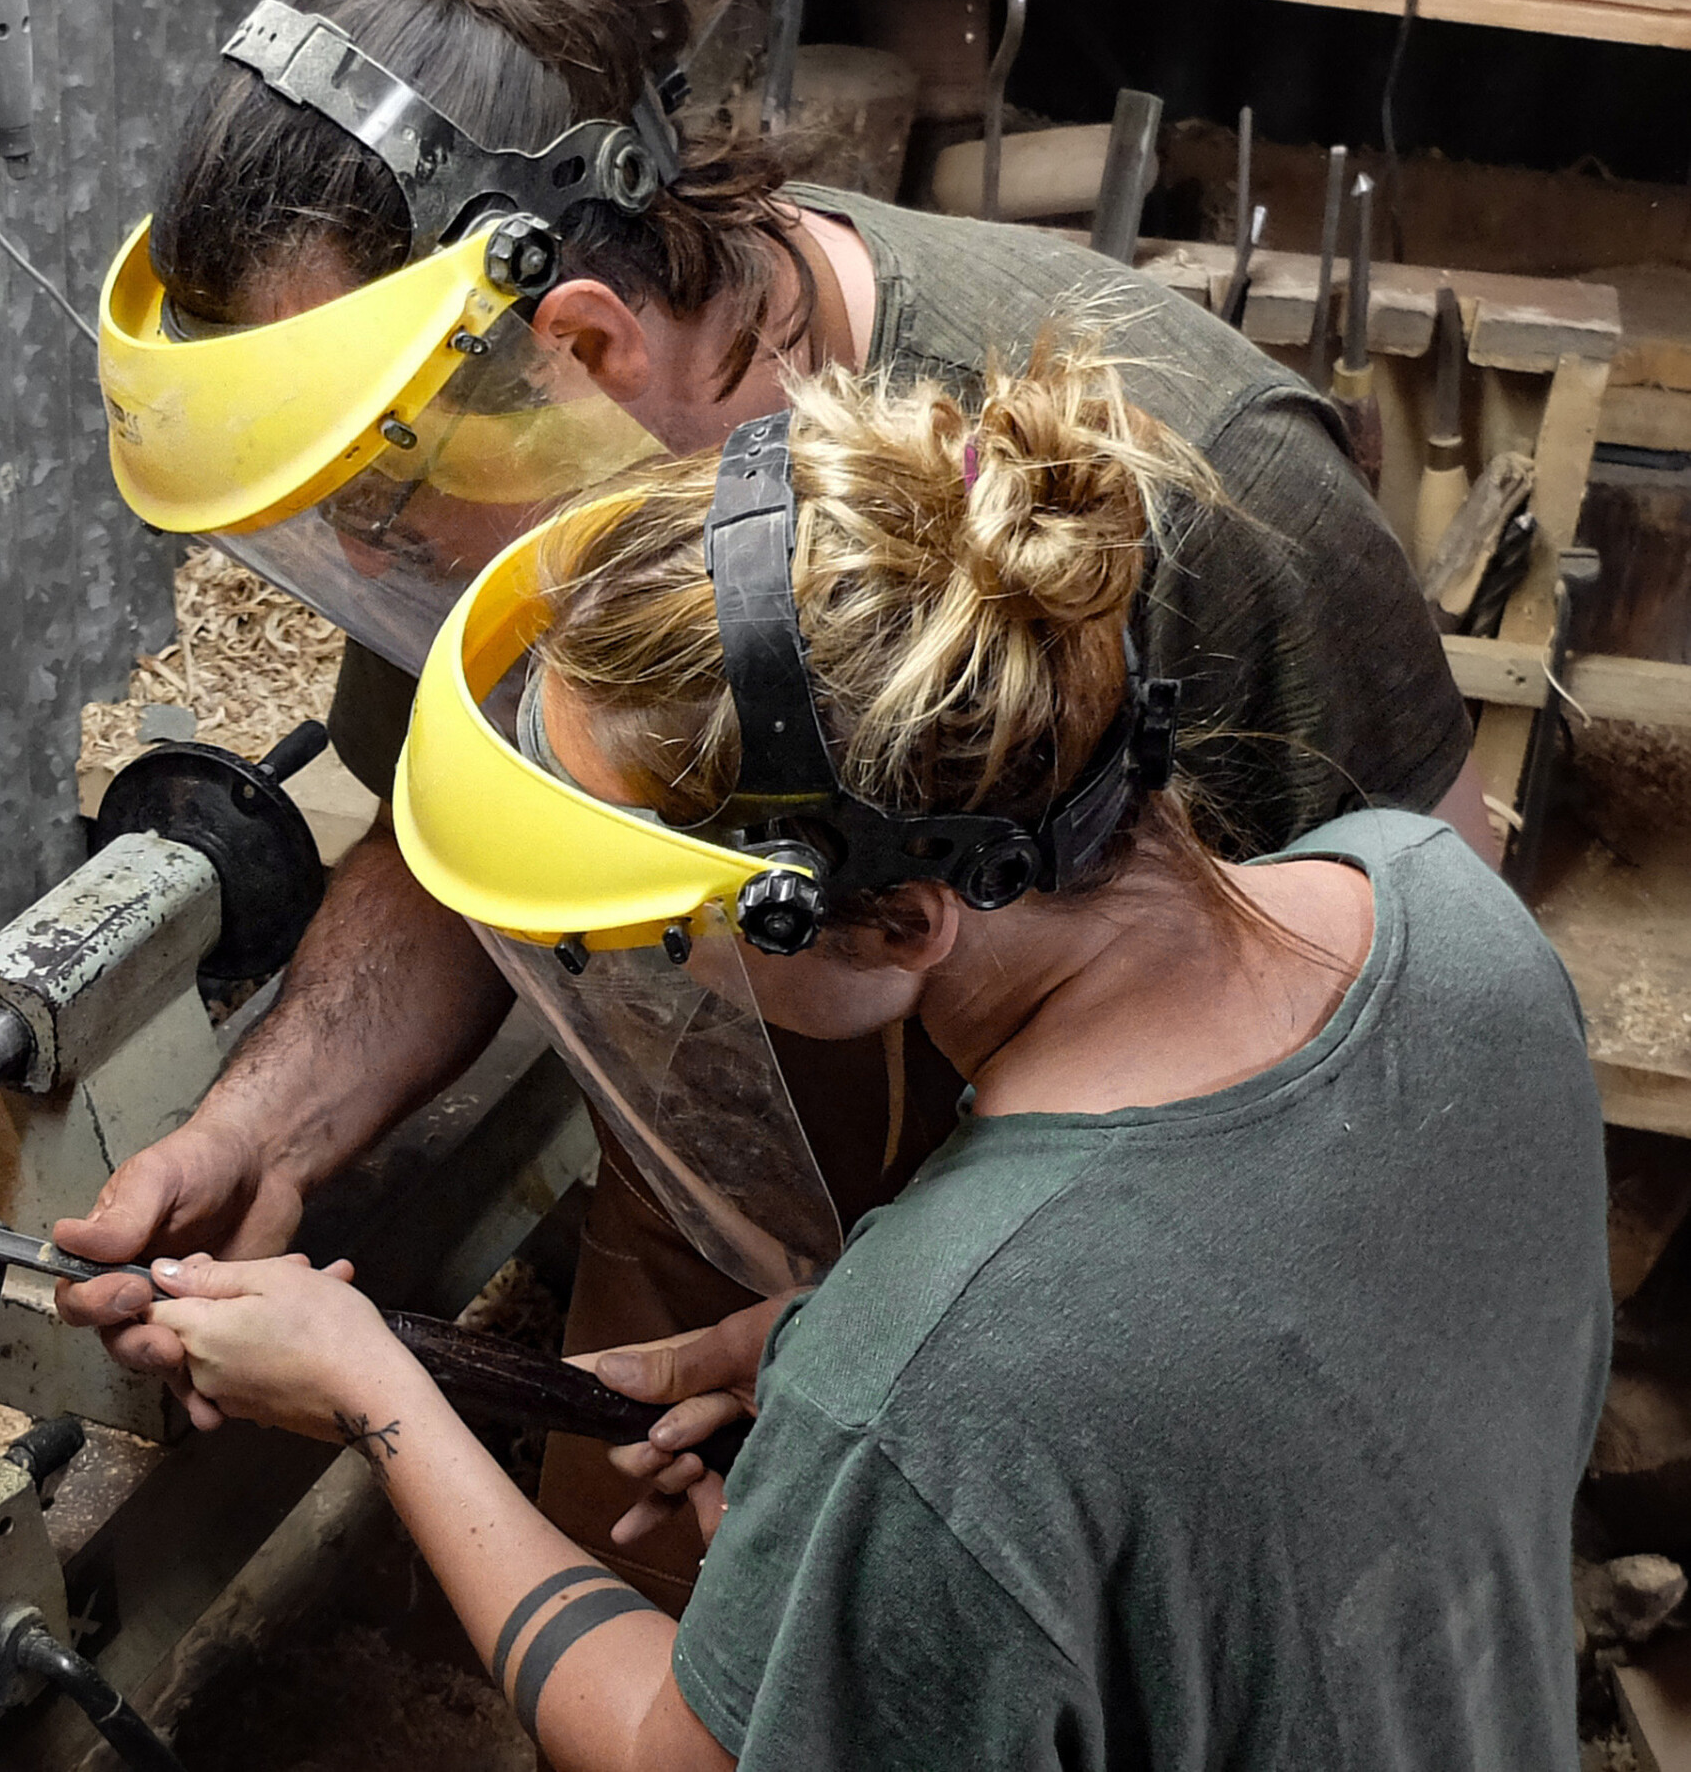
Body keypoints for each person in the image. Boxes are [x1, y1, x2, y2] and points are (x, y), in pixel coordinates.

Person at [69, 0, 1488, 1597]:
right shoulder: (523, 473)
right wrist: (265, 1129)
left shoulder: (1220, 501)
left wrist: (926, 1395)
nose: (360, 569)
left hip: (1090, 1365)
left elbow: (1403, 1102)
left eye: (371, 512)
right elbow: (466, 834)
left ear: (576, 342)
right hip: (715, 1234)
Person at [134, 346, 1609, 1771]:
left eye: (674, 929)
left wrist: (375, 1396)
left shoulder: (948, 1383)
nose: (675, 974)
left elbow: (671, 1755)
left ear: (903, 920)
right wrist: (835, 1375)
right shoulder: (1438, 907)